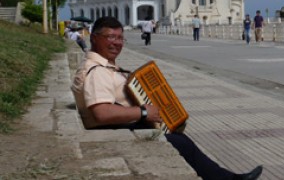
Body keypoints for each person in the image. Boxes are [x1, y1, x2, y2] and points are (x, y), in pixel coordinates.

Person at [71, 17, 263, 180]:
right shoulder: (97, 72)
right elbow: (102, 112)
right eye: (110, 37)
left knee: (180, 138)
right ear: (94, 39)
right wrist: (144, 112)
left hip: (120, 126)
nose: (117, 43)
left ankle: (226, 177)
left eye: (121, 37)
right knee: (180, 142)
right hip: (113, 131)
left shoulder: (103, 67)